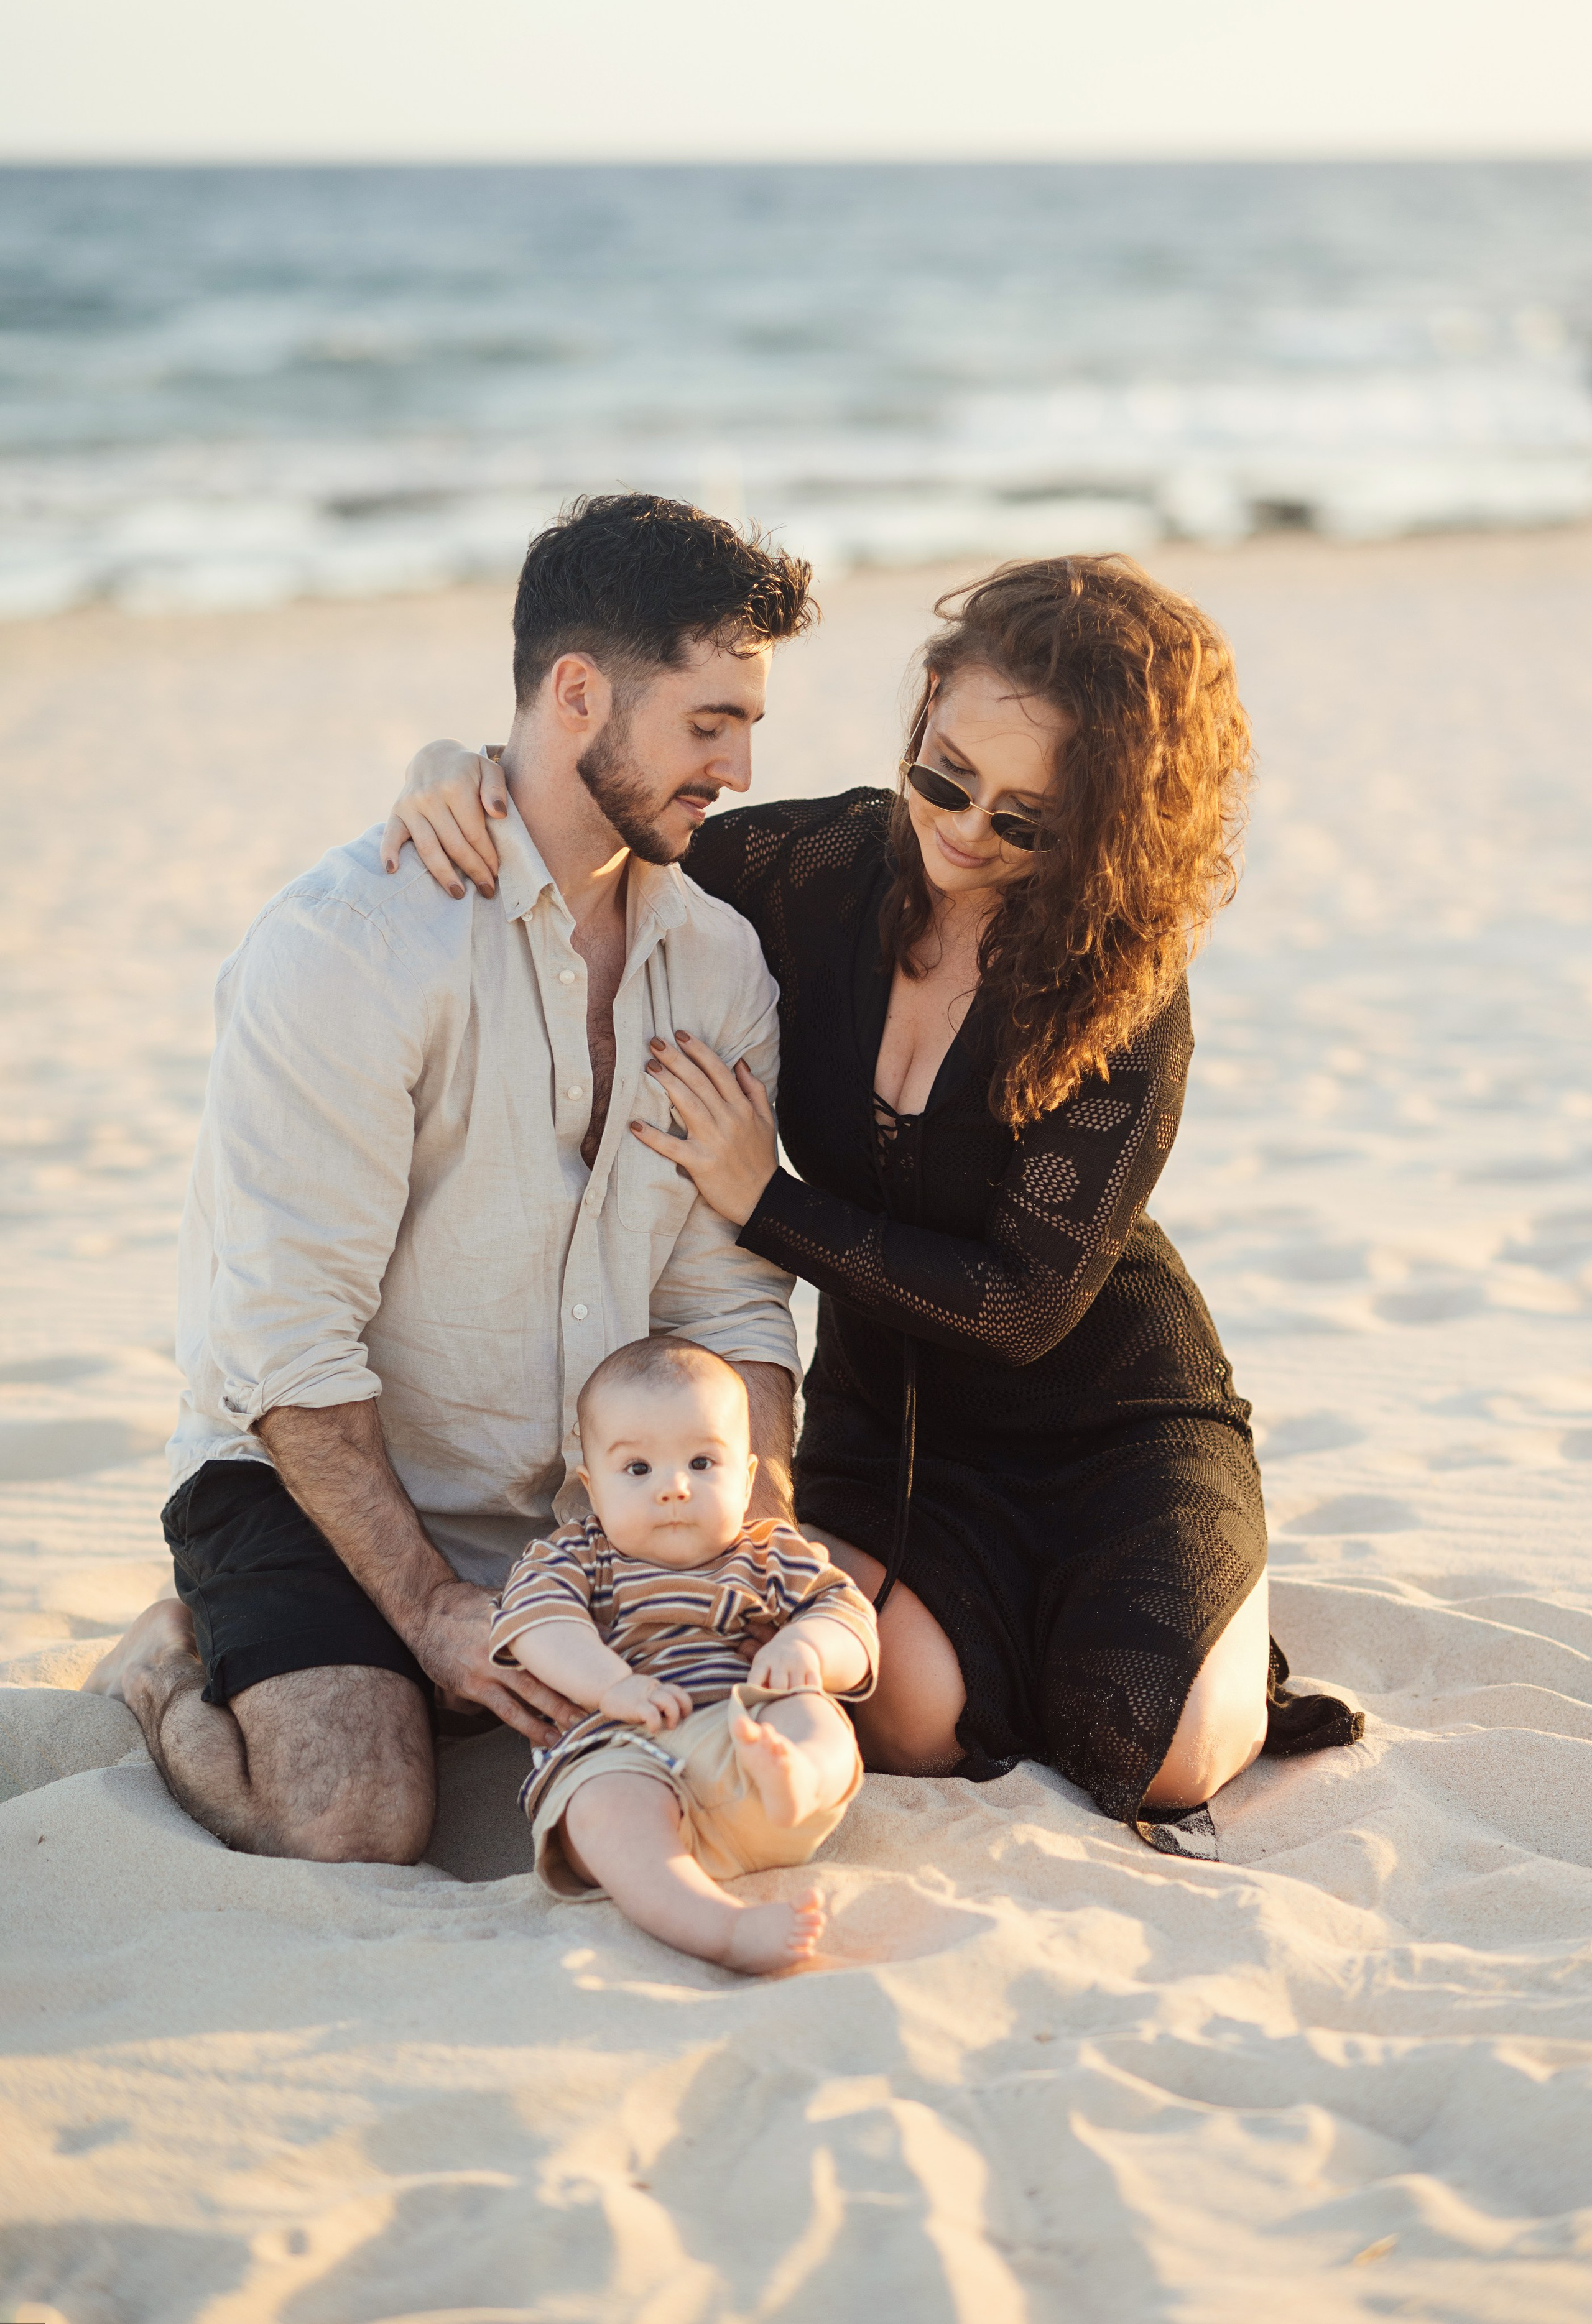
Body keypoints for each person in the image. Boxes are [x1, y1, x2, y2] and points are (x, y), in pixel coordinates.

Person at [386, 551, 1362, 1860]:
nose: (964, 830)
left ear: (1104, 827)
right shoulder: (818, 868)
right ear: (924, 713)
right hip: (892, 1416)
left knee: (1157, 1753)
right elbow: (613, 821)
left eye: (1026, 821)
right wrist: (456, 768)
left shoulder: (1123, 989)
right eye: (942, 777)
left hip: (1109, 1415)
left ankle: (1211, 1630)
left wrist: (766, 1202)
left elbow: (1020, 1306)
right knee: (909, 1721)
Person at [86, 493, 817, 1866]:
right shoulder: (353, 945)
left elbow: (725, 1305)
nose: (735, 767)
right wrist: (428, 1609)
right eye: (708, 724)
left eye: (747, 726)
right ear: (579, 694)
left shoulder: (719, 961)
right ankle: (160, 1666)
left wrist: (752, 1544)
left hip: (590, 1498)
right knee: (351, 1816)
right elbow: (285, 1339)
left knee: (774, 1757)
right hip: (308, 1473)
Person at [494, 1336, 877, 1973]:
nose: (673, 1488)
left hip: (745, 1742)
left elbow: (849, 1615)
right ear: (592, 1489)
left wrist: (806, 1645)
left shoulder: (767, 1554)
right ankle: (721, 1926)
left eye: (701, 1463)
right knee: (601, 1809)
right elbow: (538, 1624)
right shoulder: (577, 1556)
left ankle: (798, 1781)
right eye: (637, 1469)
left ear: (747, 1479)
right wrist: (610, 1685)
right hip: (627, 1749)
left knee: (812, 1716)